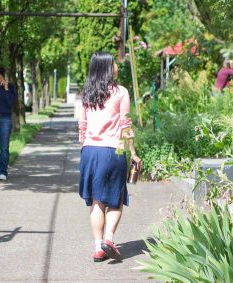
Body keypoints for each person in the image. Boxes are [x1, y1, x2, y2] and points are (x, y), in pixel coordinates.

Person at [78, 51, 142, 262]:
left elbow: (82, 126)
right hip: (113, 150)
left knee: (97, 200)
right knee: (116, 199)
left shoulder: (86, 92)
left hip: (89, 151)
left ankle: (98, 248)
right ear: (106, 67)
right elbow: (125, 125)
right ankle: (109, 239)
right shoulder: (120, 92)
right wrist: (132, 152)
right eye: (114, 64)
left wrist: (85, 147)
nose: (117, 67)